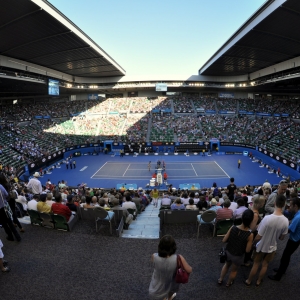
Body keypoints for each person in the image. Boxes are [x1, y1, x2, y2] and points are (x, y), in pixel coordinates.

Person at [244, 194, 289, 287]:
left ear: (274, 203)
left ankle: (249, 281)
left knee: (256, 264)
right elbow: (281, 238)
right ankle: (259, 281)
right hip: (272, 247)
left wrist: (252, 243)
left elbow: (259, 236)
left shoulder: (267, 218)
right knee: (265, 265)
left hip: (261, 245)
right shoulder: (286, 221)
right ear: (284, 204)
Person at [149, 235, 192, 300]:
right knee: (171, 289)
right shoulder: (179, 258)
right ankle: (169, 298)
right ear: (173, 247)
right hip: (172, 281)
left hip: (158, 283)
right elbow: (189, 270)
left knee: (161, 293)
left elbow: (153, 263)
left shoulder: (154, 256)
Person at [218, 210, 254, 287]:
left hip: (228, 251)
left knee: (226, 265)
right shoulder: (250, 235)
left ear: (242, 217)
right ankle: (228, 283)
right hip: (238, 256)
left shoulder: (233, 227)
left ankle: (220, 279)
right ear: (251, 220)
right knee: (234, 271)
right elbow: (247, 250)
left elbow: (224, 240)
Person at [268, 197, 300, 281]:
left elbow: (289, 230)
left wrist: (279, 232)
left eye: (291, 205)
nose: (289, 207)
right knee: (287, 256)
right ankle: (282, 270)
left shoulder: (297, 217)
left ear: (295, 206)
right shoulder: (298, 214)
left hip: (294, 240)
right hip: (297, 239)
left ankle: (278, 276)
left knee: (285, 257)